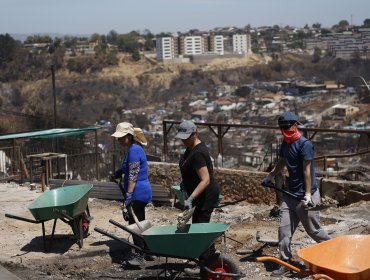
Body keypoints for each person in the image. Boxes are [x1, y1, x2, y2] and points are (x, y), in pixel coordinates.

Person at [262, 112, 330, 277]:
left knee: (314, 231)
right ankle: (285, 262)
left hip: (306, 196)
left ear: (295, 125)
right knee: (283, 231)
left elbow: (307, 170)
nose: (285, 130)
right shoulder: (285, 143)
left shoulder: (304, 144)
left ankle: (334, 252)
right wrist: (271, 175)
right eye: (282, 128)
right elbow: (283, 161)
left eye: (287, 127)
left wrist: (307, 194)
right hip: (290, 195)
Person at [175, 120, 220, 275]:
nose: (183, 140)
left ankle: (204, 266)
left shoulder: (198, 153)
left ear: (195, 134)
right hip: (197, 194)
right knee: (199, 226)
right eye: (182, 137)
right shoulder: (190, 149)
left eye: (186, 137)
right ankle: (208, 258)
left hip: (205, 195)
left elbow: (205, 179)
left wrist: (190, 198)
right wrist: (184, 184)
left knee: (200, 228)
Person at [111, 122, 152, 267]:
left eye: (122, 137)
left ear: (129, 136)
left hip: (137, 192)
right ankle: (148, 251)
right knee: (140, 222)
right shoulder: (134, 149)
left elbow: (133, 175)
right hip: (141, 191)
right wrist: (118, 172)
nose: (119, 140)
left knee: (134, 224)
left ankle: (139, 256)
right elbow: (127, 168)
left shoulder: (134, 150)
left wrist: (128, 195)